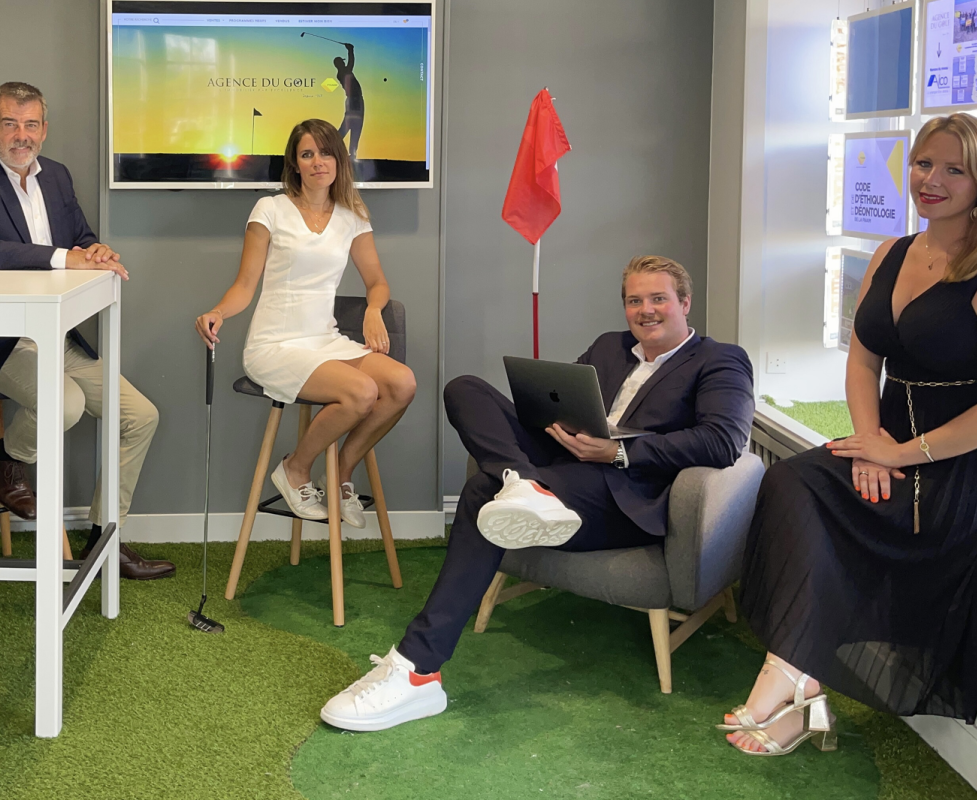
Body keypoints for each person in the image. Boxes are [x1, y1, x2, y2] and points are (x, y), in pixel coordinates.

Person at [729, 114, 977, 757]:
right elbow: (862, 361)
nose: (931, 179)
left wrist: (897, 453)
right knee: (792, 482)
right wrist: (870, 442)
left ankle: (791, 679)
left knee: (870, 518)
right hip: (893, 438)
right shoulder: (891, 252)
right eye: (924, 163)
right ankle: (799, 676)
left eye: (954, 169)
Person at [319, 255, 753, 732]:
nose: (645, 310)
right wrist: (553, 420)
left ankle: (418, 669)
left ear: (684, 303)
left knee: (483, 490)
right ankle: (522, 483)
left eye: (658, 299)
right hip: (565, 466)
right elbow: (558, 398)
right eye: (634, 301)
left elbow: (724, 440)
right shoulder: (610, 346)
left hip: (624, 493)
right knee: (465, 388)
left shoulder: (720, 359)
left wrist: (617, 452)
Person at [0, 81, 173, 580]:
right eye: (10, 124)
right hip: (0, 342)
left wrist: (96, 251)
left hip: (58, 335)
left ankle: (103, 540)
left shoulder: (58, 177)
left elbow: (79, 239)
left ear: (44, 130)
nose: (21, 135)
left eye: (30, 125)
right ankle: (8, 459)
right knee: (65, 404)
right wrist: (65, 258)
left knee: (141, 416)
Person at [196, 117, 415, 527]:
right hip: (275, 346)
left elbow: (377, 282)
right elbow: (245, 285)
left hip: (324, 341)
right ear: (295, 164)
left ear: (339, 160)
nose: (318, 162)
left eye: (326, 152)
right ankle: (296, 467)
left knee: (402, 383)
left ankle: (341, 473)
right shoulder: (270, 209)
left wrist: (373, 310)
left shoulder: (352, 215)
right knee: (362, 392)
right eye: (307, 154)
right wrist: (218, 312)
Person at [332, 42, 364, 160]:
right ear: (340, 64)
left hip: (355, 100)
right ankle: (332, 145)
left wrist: (350, 50)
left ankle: (352, 153)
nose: (344, 63)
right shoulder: (343, 72)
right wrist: (350, 50)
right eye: (342, 62)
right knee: (351, 126)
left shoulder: (343, 72)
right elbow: (351, 63)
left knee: (353, 127)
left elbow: (350, 64)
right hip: (354, 101)